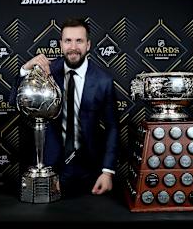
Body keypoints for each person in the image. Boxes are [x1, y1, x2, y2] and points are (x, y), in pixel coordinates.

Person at [13, 18, 119, 197]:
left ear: (88, 44)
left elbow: (112, 127)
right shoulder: (45, 72)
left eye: (79, 41)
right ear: (61, 44)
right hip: (49, 168)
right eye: (68, 41)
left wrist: (107, 172)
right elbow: (14, 101)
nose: (73, 47)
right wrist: (25, 68)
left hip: (90, 171)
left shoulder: (103, 81)